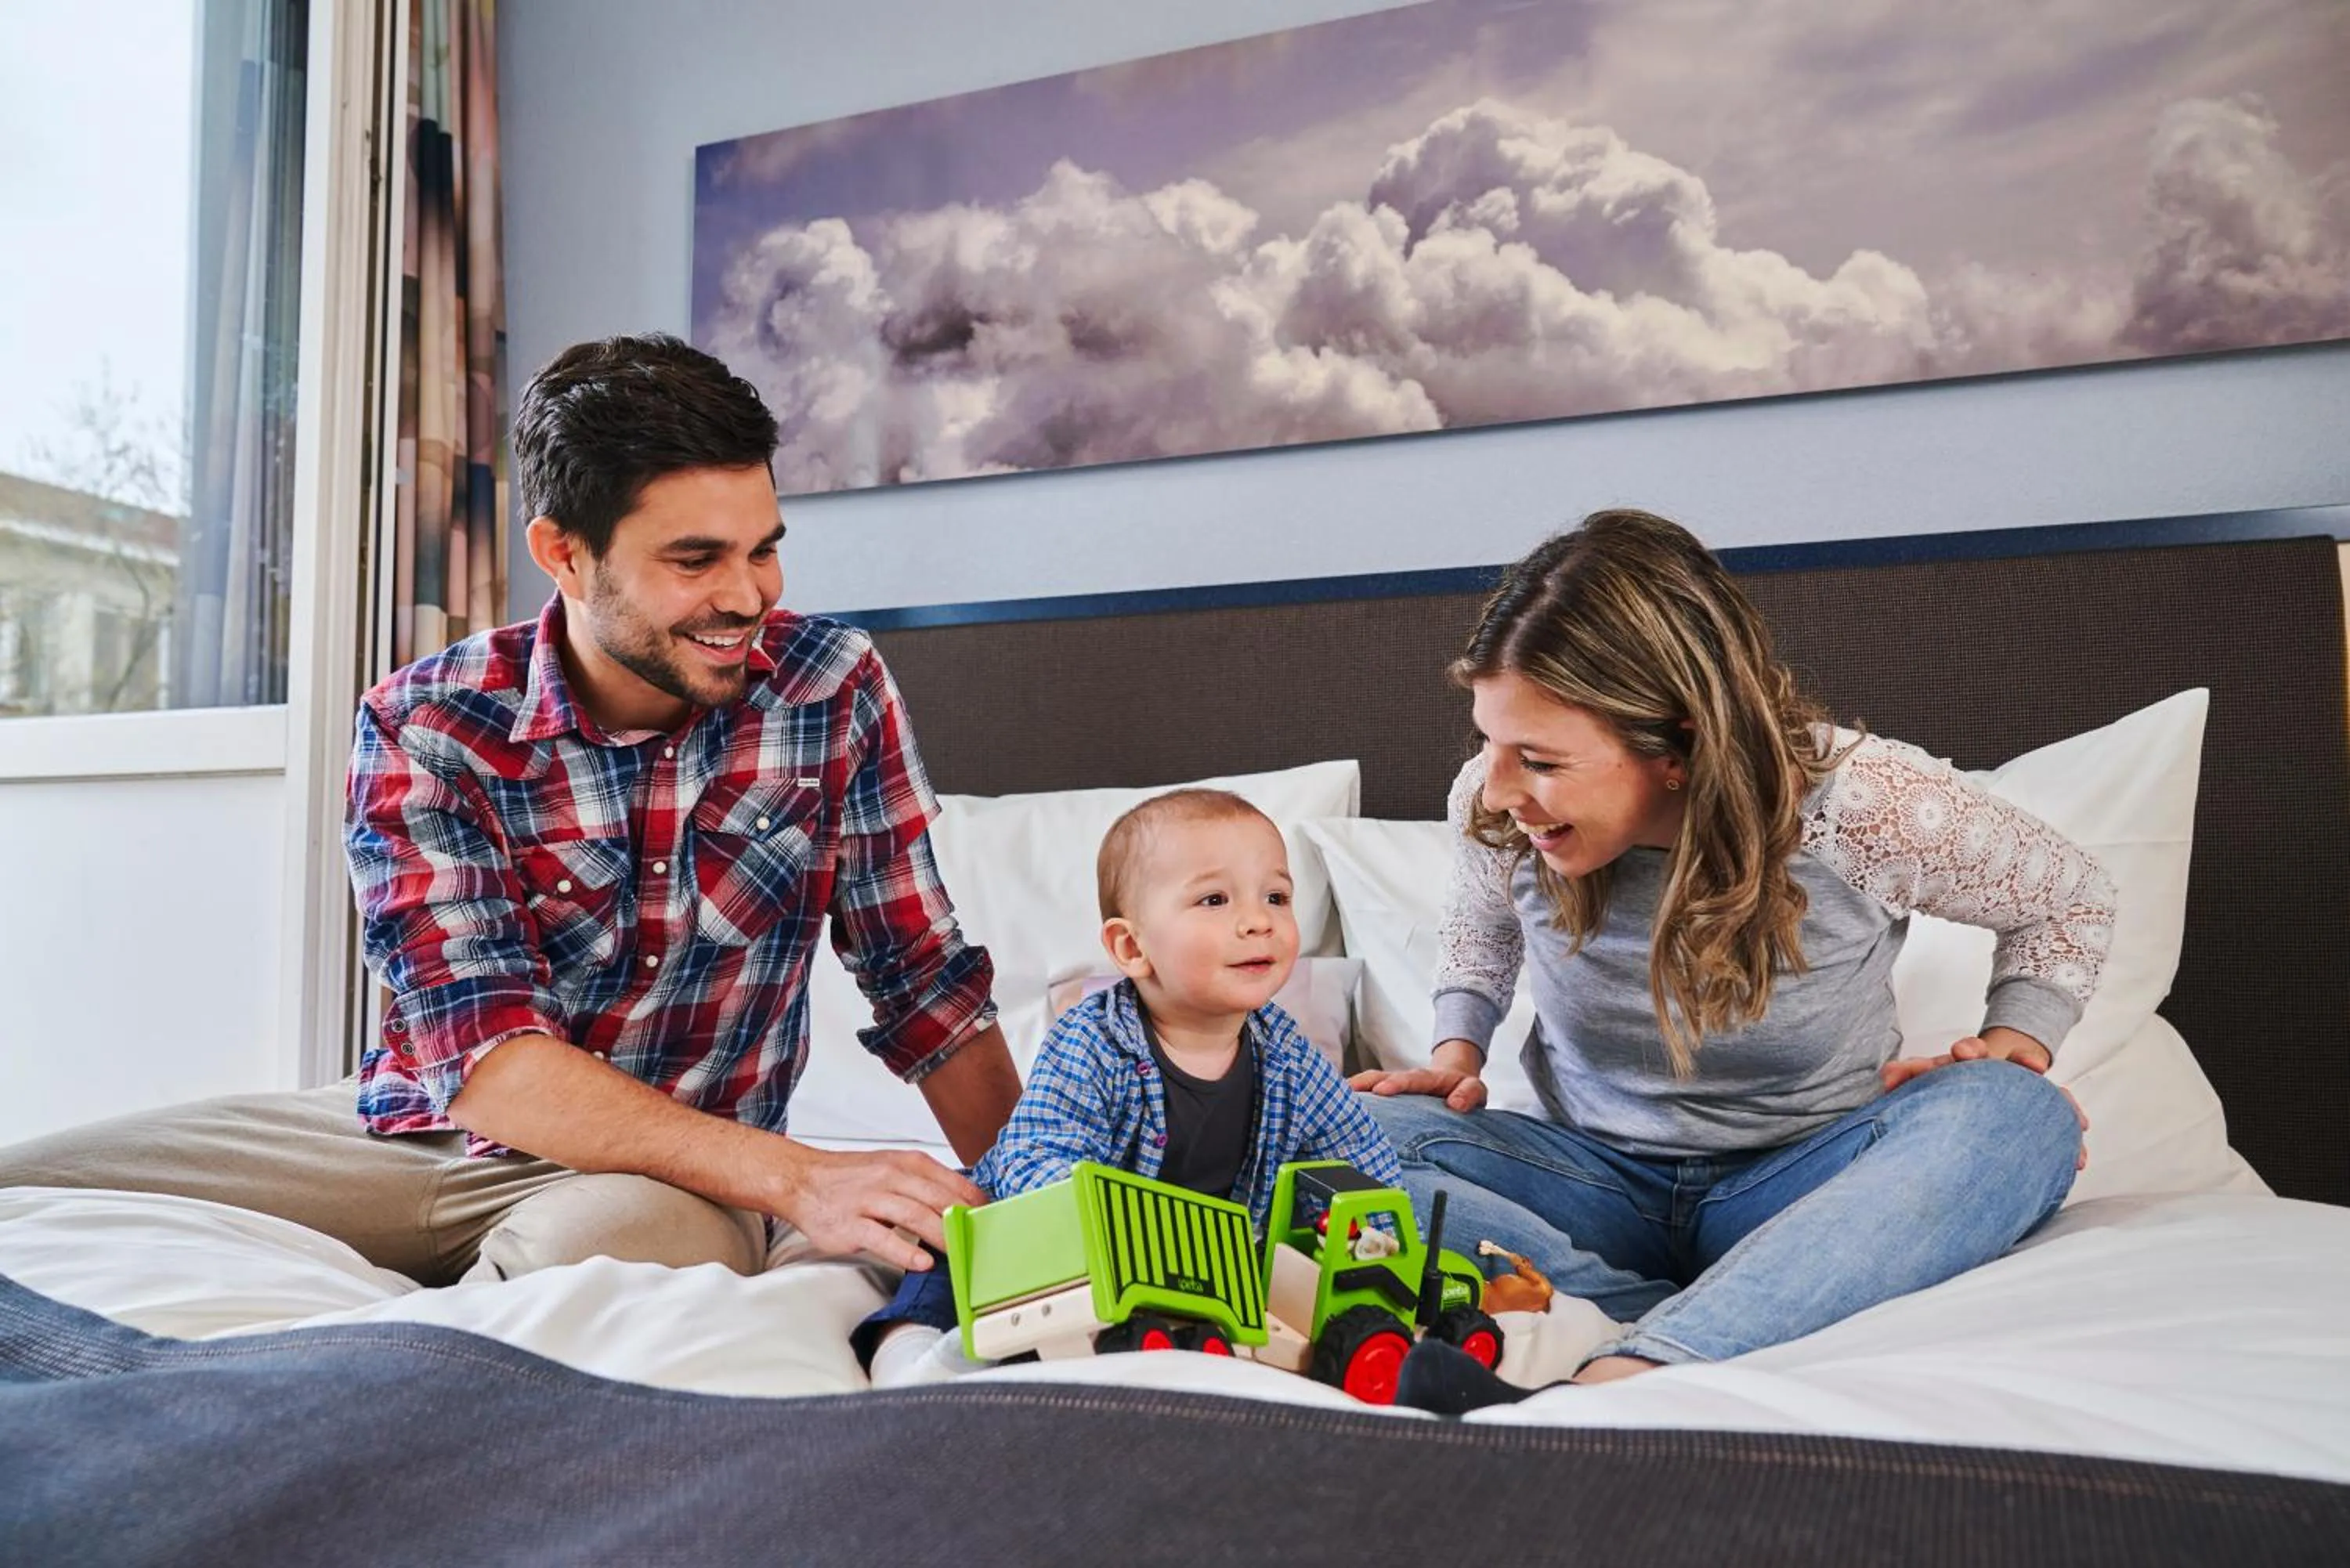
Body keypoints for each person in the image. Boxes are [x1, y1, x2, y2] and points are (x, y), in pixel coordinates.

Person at [0, 334, 1021, 1285]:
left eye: (763, 547)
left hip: (680, 1177)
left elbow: (923, 983)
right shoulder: (429, 724)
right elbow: (485, 1057)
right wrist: (802, 1176)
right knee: (30, 1185)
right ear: (563, 552)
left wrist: (1036, 1204)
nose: (751, 595)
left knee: (595, 1270)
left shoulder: (829, 688)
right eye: (695, 558)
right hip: (423, 1133)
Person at [1352, 508, 2107, 1407]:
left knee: (2019, 1115)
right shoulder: (1495, 801)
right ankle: (1700, 1313)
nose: (1501, 785)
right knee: (1309, 1129)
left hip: (1804, 1181)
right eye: (1490, 742)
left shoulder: (1859, 802)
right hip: (1589, 1185)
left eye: (1540, 759)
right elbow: (1482, 925)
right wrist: (1456, 1051)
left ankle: (1637, 1366)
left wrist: (2019, 1039)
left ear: (1674, 743)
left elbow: (2070, 894)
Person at [858, 787, 1400, 1384]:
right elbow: (1040, 1152)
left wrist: (1378, 1237)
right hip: (1064, 1237)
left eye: (1277, 896)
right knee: (949, 1235)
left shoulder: (1288, 1057)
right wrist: (1106, 1236)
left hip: (1202, 1263)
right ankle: (909, 1347)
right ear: (1131, 947)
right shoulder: (1094, 1041)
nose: (1258, 921)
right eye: (1215, 899)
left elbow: (1356, 1153)